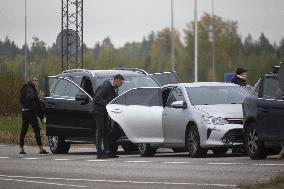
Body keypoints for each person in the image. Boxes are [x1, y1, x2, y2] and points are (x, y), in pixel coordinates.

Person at [92, 74, 124, 159]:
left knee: (106, 131)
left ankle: (107, 152)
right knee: (100, 131)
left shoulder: (113, 88)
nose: (121, 85)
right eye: (121, 83)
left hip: (105, 112)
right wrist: (107, 104)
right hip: (98, 111)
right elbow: (97, 98)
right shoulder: (106, 86)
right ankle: (99, 153)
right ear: (116, 80)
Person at [19, 75, 48, 155]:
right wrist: (36, 101)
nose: (36, 82)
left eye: (37, 80)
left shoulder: (25, 88)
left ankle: (21, 149)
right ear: (31, 81)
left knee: (23, 131)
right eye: (35, 80)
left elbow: (21, 99)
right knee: (37, 130)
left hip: (24, 112)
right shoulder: (30, 89)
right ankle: (41, 149)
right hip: (30, 113)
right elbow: (30, 98)